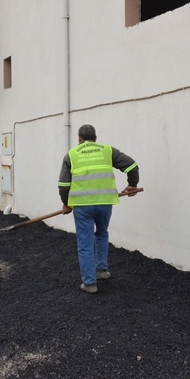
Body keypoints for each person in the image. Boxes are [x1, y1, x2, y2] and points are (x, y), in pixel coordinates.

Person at [58, 124, 139, 294]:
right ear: (95, 139)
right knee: (102, 234)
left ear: (79, 139)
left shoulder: (71, 155)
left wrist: (66, 204)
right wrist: (132, 185)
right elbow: (132, 166)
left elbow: (64, 185)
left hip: (82, 206)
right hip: (104, 204)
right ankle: (101, 271)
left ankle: (89, 283)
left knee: (85, 243)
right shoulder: (108, 151)